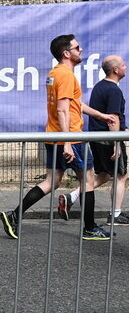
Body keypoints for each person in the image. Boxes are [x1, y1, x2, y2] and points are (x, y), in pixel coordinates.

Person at [1, 35, 117, 241]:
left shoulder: (55, 74)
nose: (80, 50)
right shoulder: (65, 75)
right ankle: (89, 228)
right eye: (77, 47)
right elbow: (63, 110)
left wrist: (100, 115)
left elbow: (74, 104)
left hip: (55, 136)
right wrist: (69, 142)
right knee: (88, 180)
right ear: (66, 53)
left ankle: (14, 216)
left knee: (51, 182)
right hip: (70, 137)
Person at [58, 54, 127, 226]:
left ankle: (71, 196)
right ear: (115, 70)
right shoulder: (114, 90)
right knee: (121, 175)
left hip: (98, 138)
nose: (126, 67)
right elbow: (112, 117)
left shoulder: (100, 87)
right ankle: (116, 215)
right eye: (124, 65)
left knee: (103, 175)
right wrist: (117, 143)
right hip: (109, 140)